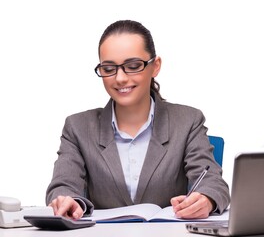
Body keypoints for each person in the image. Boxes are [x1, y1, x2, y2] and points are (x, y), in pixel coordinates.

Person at [46, 20, 230, 220]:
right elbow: (62, 186)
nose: (120, 78)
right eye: (109, 69)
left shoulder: (187, 121)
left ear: (155, 66)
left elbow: (213, 182)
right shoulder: (78, 127)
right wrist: (66, 200)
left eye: (133, 66)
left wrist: (206, 198)